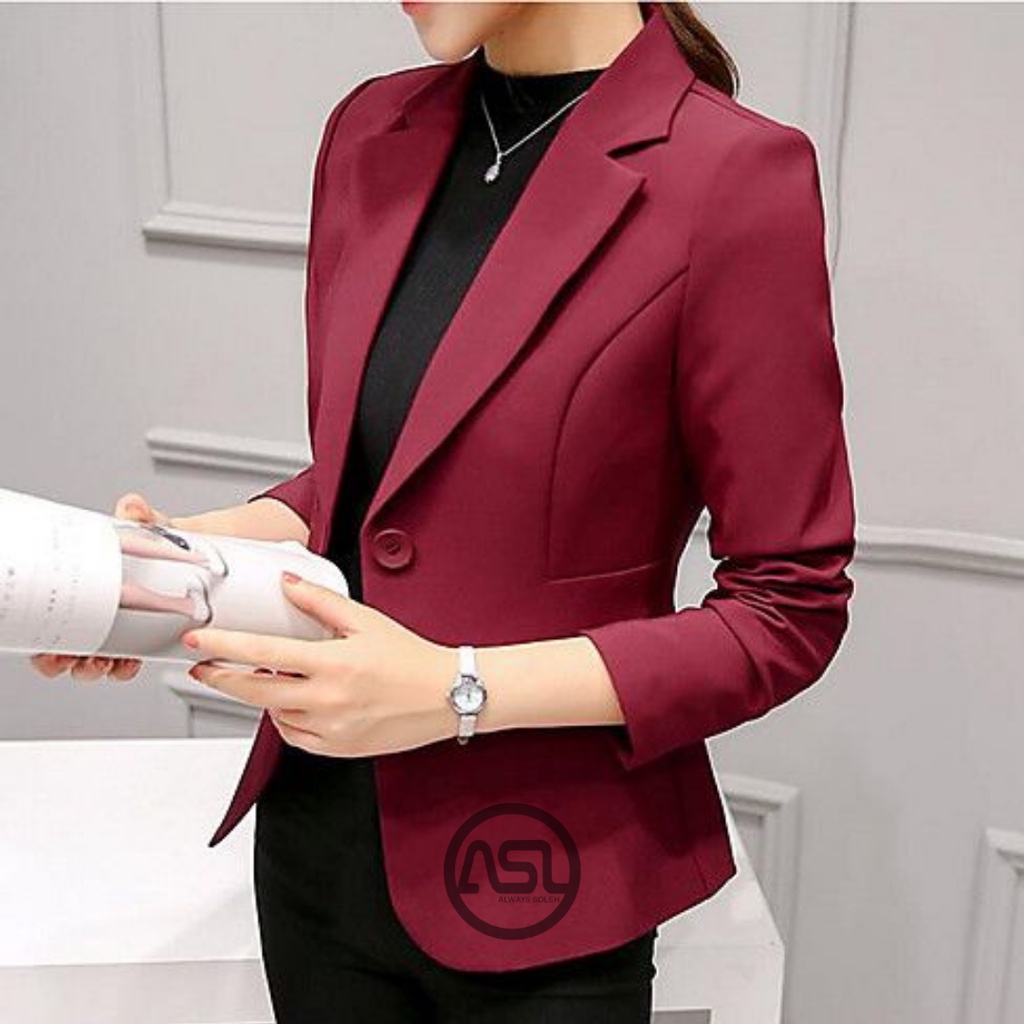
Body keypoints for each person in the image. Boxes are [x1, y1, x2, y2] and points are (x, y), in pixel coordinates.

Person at [31, 2, 856, 1021]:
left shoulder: (734, 178)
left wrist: (454, 689)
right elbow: (373, 484)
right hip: (319, 846)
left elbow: (787, 608)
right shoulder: (372, 131)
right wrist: (162, 565)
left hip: (544, 882)